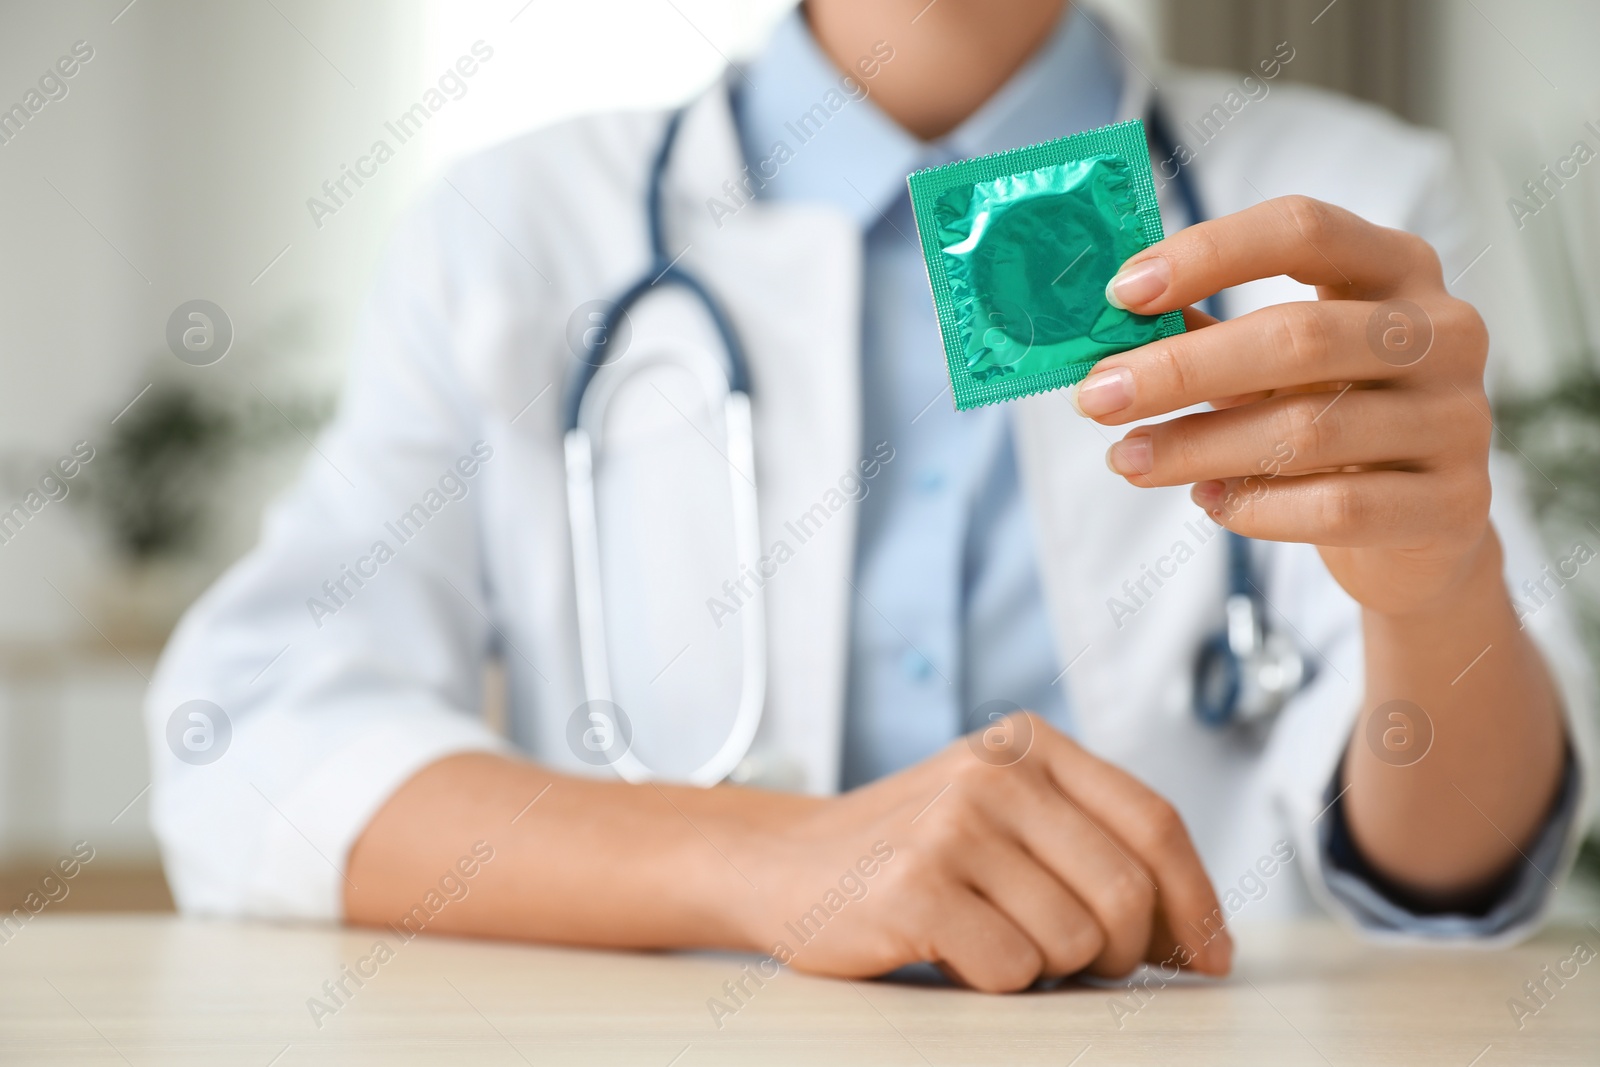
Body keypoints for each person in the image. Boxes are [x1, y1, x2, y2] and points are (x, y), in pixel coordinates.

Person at [145, 0, 1593, 992]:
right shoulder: (513, 232)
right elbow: (249, 734)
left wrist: (1440, 589)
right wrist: (762, 860)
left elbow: (1455, 880)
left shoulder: (1346, 199)